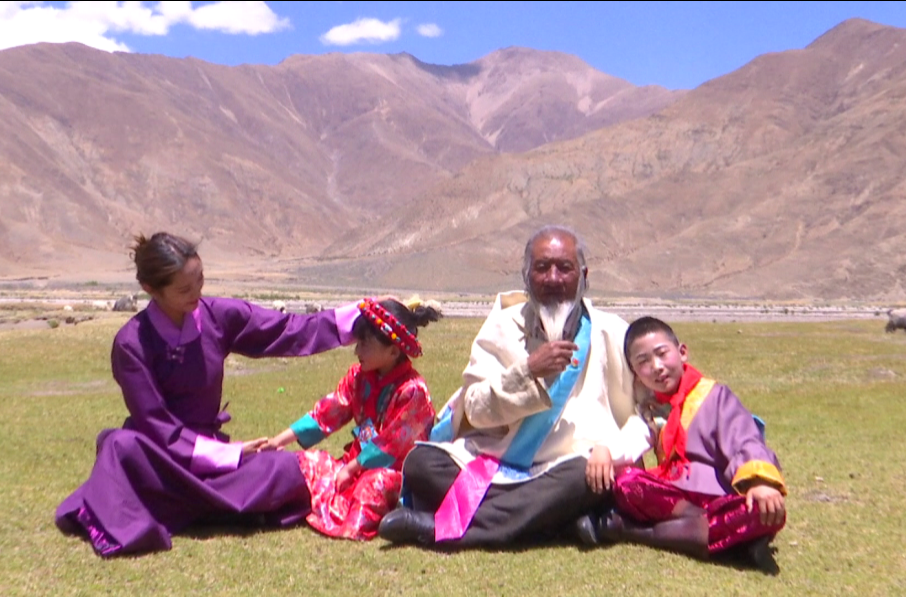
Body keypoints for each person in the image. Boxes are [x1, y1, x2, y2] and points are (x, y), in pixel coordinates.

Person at [55, 232, 366, 557]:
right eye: (184, 289)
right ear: (150, 289)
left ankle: (201, 506)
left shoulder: (217, 315)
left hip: (210, 457)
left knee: (289, 469)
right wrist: (230, 454)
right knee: (120, 445)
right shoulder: (131, 344)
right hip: (161, 458)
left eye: (200, 280)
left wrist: (362, 314)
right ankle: (218, 507)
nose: (197, 293)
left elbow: (287, 329)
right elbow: (156, 426)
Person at [378, 225, 652, 547]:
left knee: (587, 476)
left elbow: (646, 416)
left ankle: (441, 530)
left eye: (564, 268)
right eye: (542, 267)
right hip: (499, 463)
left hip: (568, 466)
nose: (553, 278)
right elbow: (475, 409)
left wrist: (611, 451)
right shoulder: (501, 327)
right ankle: (557, 519)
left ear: (583, 276)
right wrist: (528, 372)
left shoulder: (612, 333)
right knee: (421, 463)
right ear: (526, 275)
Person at [576, 316, 787, 572]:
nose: (656, 367)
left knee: (763, 512)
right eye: (643, 362)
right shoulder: (651, 410)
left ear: (682, 352)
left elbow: (744, 439)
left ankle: (630, 530)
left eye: (662, 354)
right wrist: (605, 450)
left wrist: (760, 483)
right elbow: (634, 437)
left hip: (721, 496)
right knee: (627, 482)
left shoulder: (715, 396)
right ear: (635, 373)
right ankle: (723, 537)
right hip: (677, 500)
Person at [260, 298, 442, 540]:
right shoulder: (359, 377)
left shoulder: (413, 391)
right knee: (309, 463)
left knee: (372, 485)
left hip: (395, 474)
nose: (357, 351)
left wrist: (352, 468)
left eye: (365, 344)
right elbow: (327, 412)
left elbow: (391, 446)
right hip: (354, 463)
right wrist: (278, 441)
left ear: (393, 351)